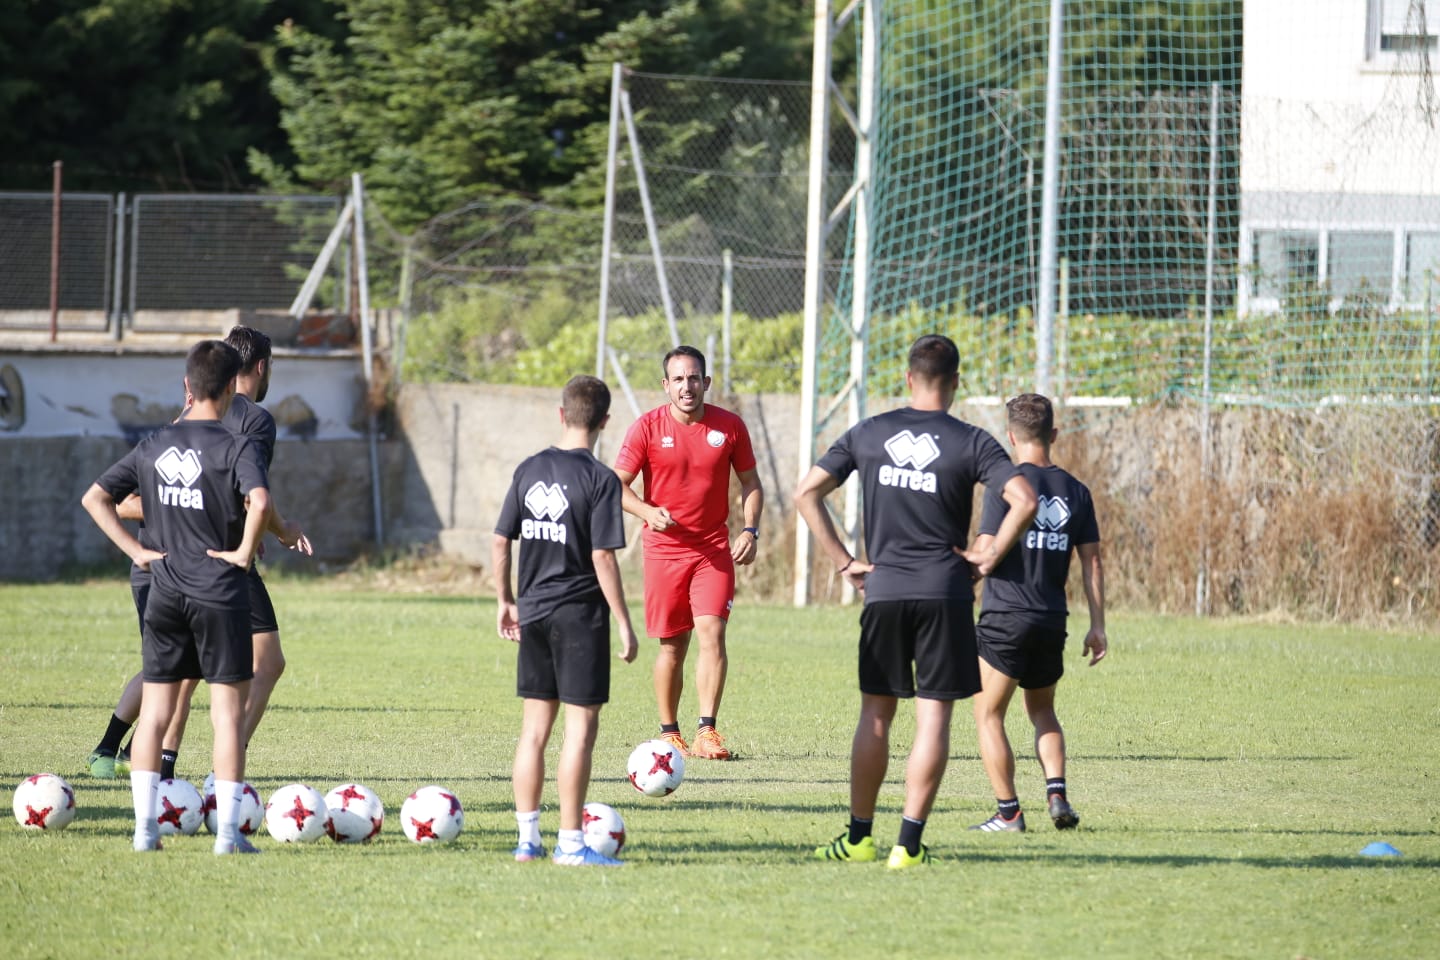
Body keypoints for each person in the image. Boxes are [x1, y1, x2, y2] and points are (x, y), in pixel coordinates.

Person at [794, 334, 1037, 869]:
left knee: (875, 716)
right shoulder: (973, 441)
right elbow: (1025, 500)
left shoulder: (870, 432)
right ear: (954, 383)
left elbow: (805, 493)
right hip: (945, 594)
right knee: (933, 721)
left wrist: (843, 560)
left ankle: (859, 838)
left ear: (908, 379)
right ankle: (907, 845)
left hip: (882, 591)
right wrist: (992, 551)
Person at [83, 325, 311, 781]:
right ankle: (214, 778)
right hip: (213, 561)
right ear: (260, 367)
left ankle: (125, 763)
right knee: (248, 666)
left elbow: (120, 499)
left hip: (160, 556)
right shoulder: (252, 421)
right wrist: (271, 533)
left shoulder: (182, 419)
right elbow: (254, 496)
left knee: (173, 667)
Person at [81, 339, 270, 854]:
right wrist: (243, 553)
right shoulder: (236, 445)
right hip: (217, 590)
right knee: (226, 716)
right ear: (232, 388)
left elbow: (96, 497)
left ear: (186, 387)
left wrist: (135, 552)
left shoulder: (153, 443)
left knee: (157, 713)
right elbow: (259, 499)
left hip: (162, 588)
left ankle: (145, 830)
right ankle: (228, 836)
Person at [494, 375, 639, 867]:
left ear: (562, 414)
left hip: (532, 612)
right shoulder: (600, 479)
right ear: (604, 422)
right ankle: (572, 845)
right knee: (580, 731)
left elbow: (500, 541)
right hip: (579, 617)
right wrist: (623, 620)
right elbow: (602, 555)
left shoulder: (529, 469)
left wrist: (505, 600)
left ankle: (526, 841)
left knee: (534, 731)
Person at [613, 345, 763, 761]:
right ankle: (669, 733)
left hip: (712, 549)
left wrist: (750, 529)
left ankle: (707, 732)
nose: (687, 387)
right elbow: (615, 484)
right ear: (666, 385)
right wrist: (646, 511)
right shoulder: (646, 428)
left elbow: (752, 484)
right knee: (672, 647)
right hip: (663, 552)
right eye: (678, 379)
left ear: (706, 382)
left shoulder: (729, 427)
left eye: (693, 378)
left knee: (713, 634)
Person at [967, 393, 1107, 833]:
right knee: (1042, 710)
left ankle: (1008, 813)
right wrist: (1098, 625)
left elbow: (986, 549)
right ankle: (1057, 793)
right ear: (1055, 434)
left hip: (1006, 616)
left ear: (1011, 437)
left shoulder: (1005, 487)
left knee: (988, 714)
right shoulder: (1078, 492)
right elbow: (1093, 562)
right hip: (1052, 618)